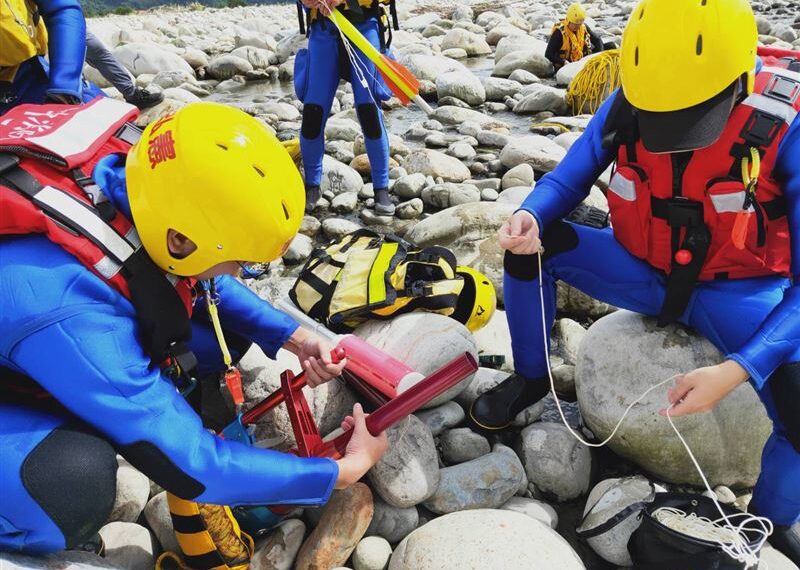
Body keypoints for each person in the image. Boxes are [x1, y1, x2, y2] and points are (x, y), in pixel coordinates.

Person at [470, 0, 800, 562]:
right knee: (538, 247)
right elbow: (567, 180)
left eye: (690, 118)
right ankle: (530, 377)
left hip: (739, 293)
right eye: (659, 117)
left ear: (738, 80)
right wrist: (529, 215)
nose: (671, 132)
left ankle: (755, 530)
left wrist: (738, 369)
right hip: (642, 271)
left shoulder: (787, 127)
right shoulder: (632, 103)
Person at [0, 100, 388, 554]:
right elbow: (197, 467)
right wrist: (341, 472)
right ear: (180, 239)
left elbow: (163, 272)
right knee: (67, 486)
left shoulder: (136, 180)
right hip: (43, 321)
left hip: (39, 326)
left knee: (217, 334)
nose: (241, 273)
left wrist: (295, 336)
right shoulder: (75, 316)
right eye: (241, 262)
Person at [296, 0, 396, 215]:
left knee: (369, 111)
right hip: (323, 32)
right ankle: (312, 185)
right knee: (313, 113)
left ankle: (381, 188)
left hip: (364, 27)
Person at [0, 0, 102, 114]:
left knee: (106, 118)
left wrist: (64, 88)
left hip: (27, 77)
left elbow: (62, 9)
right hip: (28, 78)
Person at [85, 31, 164, 110]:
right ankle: (132, 94)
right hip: (74, 26)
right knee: (98, 54)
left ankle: (132, 95)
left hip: (76, 24)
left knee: (98, 52)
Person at [545, 2, 604, 71]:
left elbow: (597, 40)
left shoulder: (583, 27)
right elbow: (548, 54)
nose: (578, 26)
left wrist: (599, 56)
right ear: (569, 21)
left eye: (580, 24)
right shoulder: (559, 33)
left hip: (582, 59)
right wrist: (563, 62)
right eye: (575, 24)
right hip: (567, 63)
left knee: (611, 45)